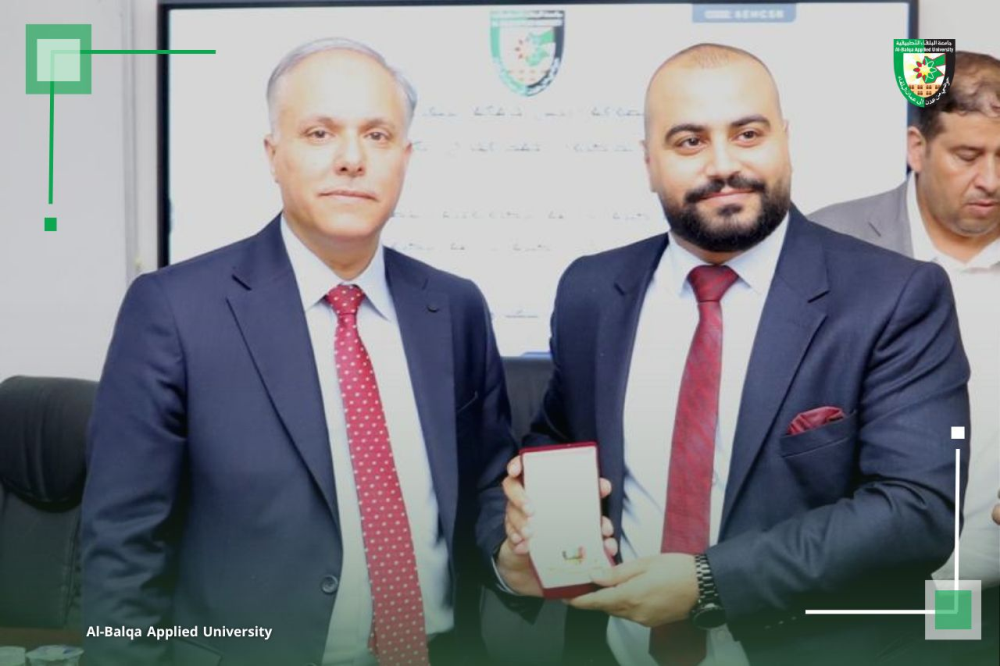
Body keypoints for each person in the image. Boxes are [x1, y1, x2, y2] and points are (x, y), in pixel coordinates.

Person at [487, 43, 971, 666]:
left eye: (748, 134)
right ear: (649, 162)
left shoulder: (894, 296)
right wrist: (534, 526)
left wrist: (708, 582)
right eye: (689, 141)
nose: (723, 165)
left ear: (785, 140)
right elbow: (561, 435)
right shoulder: (592, 290)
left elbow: (919, 509)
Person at [82, 38, 515, 666]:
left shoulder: (454, 306)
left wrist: (517, 551)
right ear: (273, 154)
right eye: (319, 133)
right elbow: (122, 544)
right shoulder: (174, 311)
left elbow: (486, 486)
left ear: (405, 157)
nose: (351, 160)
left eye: (377, 135)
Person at [812, 49, 1000, 665]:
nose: (991, 179)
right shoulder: (827, 244)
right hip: (855, 603)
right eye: (968, 156)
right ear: (917, 148)